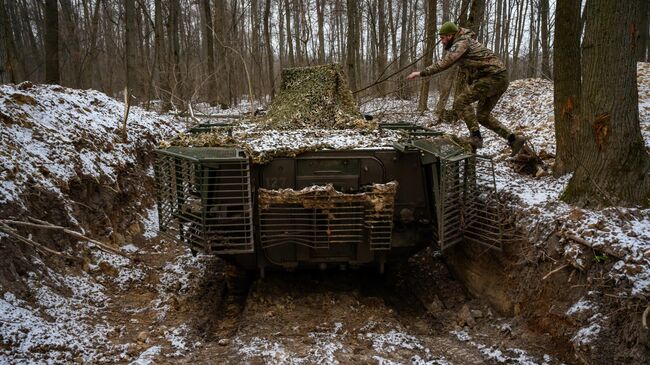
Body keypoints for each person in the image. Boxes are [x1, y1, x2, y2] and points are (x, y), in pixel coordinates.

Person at [407, 21, 526, 156]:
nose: (442, 41)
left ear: (451, 35)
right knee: (482, 116)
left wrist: (421, 73)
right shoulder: (464, 42)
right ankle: (514, 139)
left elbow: (445, 63)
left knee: (460, 101)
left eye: (443, 38)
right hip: (498, 78)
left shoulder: (462, 43)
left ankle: (476, 137)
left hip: (494, 77)